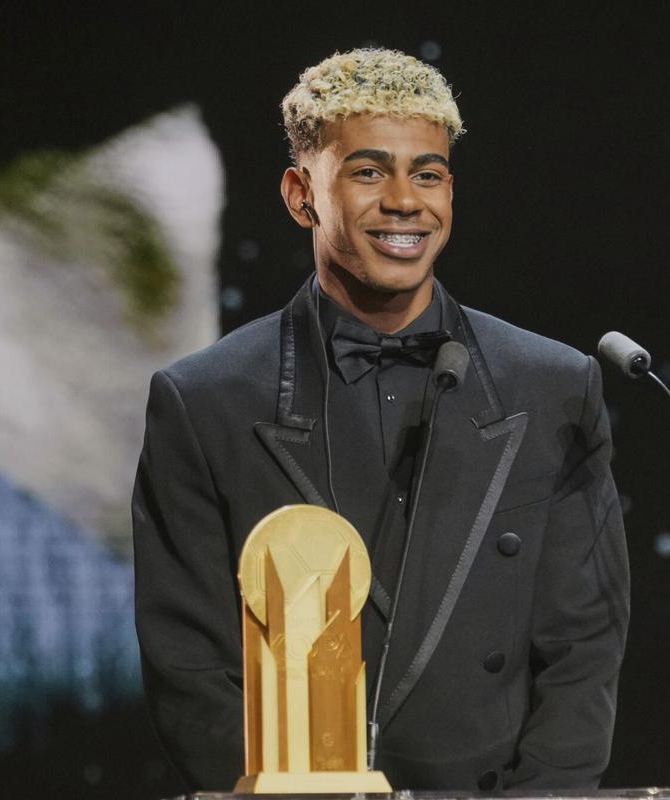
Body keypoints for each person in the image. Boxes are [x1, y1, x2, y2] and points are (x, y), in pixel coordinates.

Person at [133, 47, 630, 792]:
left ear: (451, 192)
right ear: (303, 195)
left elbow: (585, 644)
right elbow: (190, 669)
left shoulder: (553, 386)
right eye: (368, 172)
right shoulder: (205, 402)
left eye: (426, 174)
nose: (405, 201)